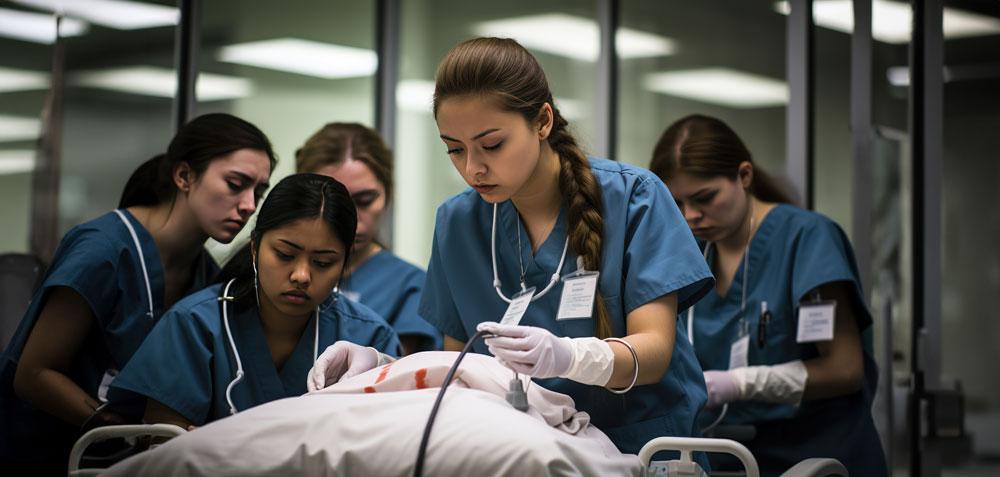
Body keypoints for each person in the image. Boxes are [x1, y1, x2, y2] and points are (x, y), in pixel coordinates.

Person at [307, 37, 715, 464]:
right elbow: (458, 369)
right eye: (454, 149)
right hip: (521, 454)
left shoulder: (633, 198)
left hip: (641, 451)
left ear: (542, 121)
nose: (473, 168)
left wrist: (568, 356)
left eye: (492, 145)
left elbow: (653, 353)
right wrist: (378, 369)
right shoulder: (458, 223)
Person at [0, 113, 276, 473]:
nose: (249, 205)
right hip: (40, 453)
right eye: (235, 184)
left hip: (118, 460)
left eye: (259, 191)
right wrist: (123, 429)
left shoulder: (206, 274)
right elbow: (34, 374)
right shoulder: (104, 249)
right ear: (184, 176)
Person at [648, 114, 887, 476]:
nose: (691, 216)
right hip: (731, 455)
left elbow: (845, 368)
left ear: (744, 176)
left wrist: (739, 384)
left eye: (704, 198)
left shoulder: (807, 240)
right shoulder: (690, 255)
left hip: (818, 458)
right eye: (677, 204)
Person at [106, 173, 400, 429]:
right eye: (285, 255)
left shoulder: (369, 337)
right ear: (255, 246)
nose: (301, 275)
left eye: (323, 262)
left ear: (344, 262)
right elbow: (162, 444)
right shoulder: (195, 325)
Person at [297, 123, 442, 353]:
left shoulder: (410, 287)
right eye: (334, 202)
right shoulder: (273, 271)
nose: (351, 218)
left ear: (387, 193)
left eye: (365, 200)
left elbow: (401, 377)